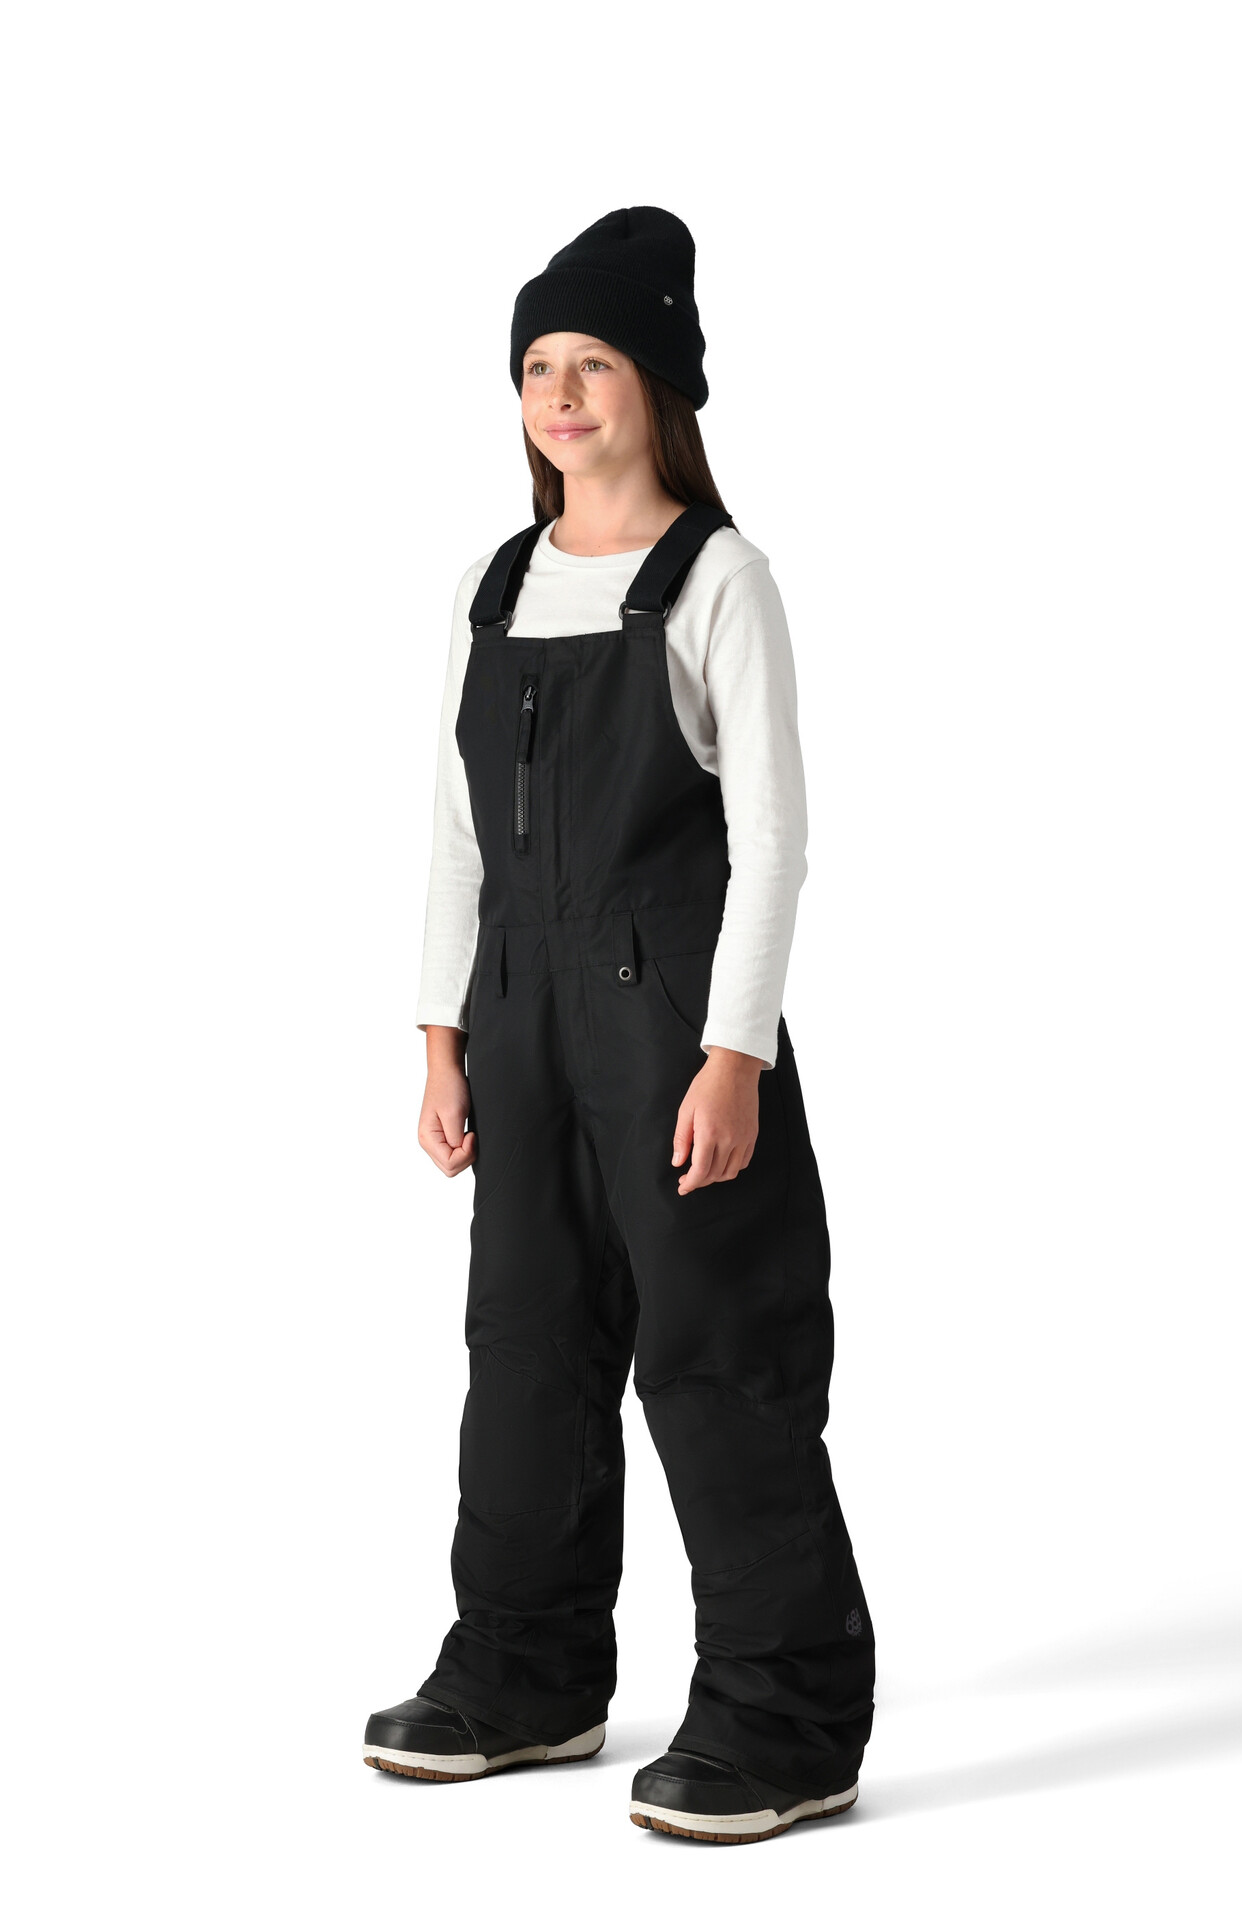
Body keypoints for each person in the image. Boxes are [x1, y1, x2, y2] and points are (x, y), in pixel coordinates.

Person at [362, 206, 875, 1844]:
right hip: (513, 1007)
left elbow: (773, 838)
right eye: (536, 366)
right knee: (522, 1344)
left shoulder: (717, 579)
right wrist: (438, 1035)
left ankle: (784, 1717)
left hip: (669, 1013)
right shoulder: (493, 585)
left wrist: (735, 1053)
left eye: (591, 362)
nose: (560, 394)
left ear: (658, 384)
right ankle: (523, 1673)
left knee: (716, 1351)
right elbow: (453, 832)